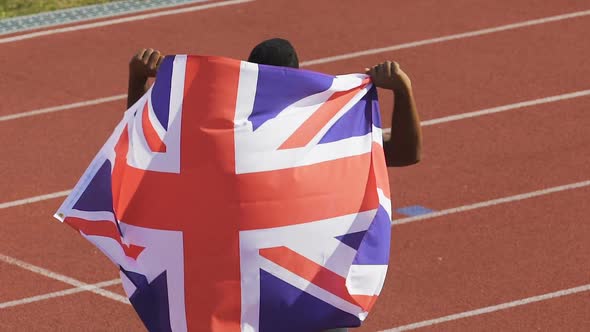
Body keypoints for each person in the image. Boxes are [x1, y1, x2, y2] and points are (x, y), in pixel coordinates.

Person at [126, 38, 422, 332]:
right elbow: (405, 153)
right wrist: (402, 89)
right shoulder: (323, 129)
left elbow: (145, 151)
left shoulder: (218, 133)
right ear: (296, 74)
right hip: (308, 297)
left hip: (242, 299)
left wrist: (138, 81)